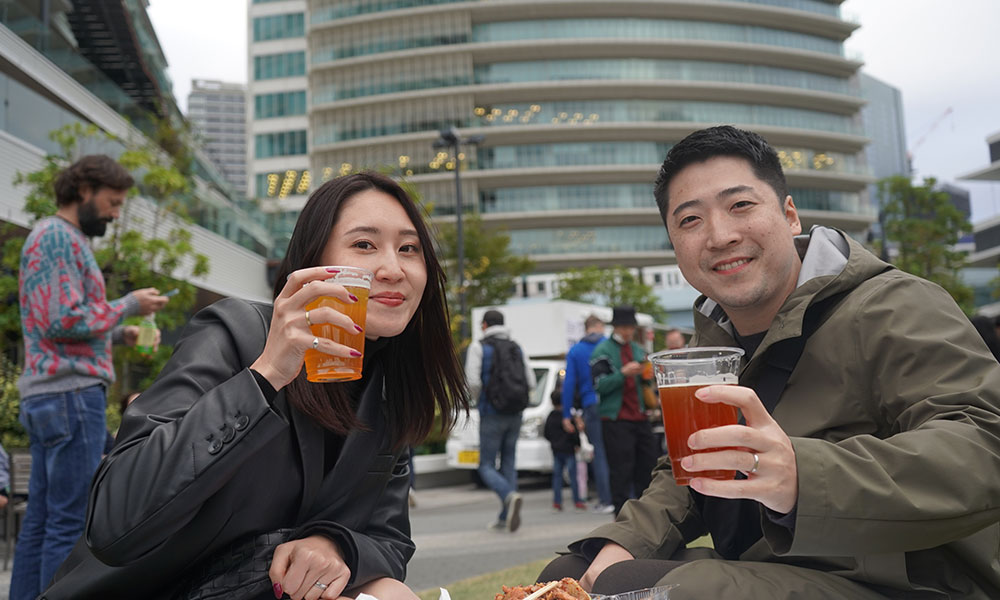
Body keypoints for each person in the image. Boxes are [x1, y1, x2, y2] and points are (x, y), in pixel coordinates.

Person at [537, 125, 1000, 599]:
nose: (719, 235)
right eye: (690, 220)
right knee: (571, 573)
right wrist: (624, 543)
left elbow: (985, 446)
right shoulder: (717, 337)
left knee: (636, 590)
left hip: (914, 583)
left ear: (790, 215)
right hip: (777, 571)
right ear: (674, 246)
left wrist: (804, 477)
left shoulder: (893, 305)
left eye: (740, 205)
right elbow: (688, 468)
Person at [40, 172, 468, 600]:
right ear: (313, 263)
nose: (393, 269)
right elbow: (114, 518)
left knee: (392, 592)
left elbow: (390, 538)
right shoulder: (237, 333)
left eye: (408, 249)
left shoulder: (390, 390)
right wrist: (265, 376)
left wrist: (334, 543)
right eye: (364, 245)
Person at [12, 155, 169, 600]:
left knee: (41, 522)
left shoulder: (52, 236)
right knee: (67, 524)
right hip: (70, 395)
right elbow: (62, 320)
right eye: (112, 202)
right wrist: (129, 305)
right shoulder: (61, 237)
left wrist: (122, 332)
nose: (116, 213)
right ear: (84, 191)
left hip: (50, 394)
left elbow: (60, 325)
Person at [465, 309, 535, 533]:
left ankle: (508, 495)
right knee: (508, 462)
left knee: (485, 465)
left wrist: (479, 401)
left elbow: (473, 381)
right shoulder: (516, 346)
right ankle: (506, 517)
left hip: (491, 412)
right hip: (515, 412)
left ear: (484, 325)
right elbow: (531, 381)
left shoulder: (479, 347)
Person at [589, 306, 659, 516]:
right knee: (620, 470)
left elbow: (646, 384)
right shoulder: (602, 351)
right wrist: (622, 373)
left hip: (640, 417)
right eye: (623, 327)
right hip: (615, 418)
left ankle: (646, 515)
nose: (627, 331)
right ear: (616, 327)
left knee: (647, 467)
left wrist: (647, 375)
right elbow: (598, 385)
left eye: (630, 327)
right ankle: (620, 517)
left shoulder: (638, 350)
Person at [562, 315, 614, 514]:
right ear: (600, 326)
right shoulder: (609, 345)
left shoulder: (576, 351)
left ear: (586, 328)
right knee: (616, 450)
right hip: (613, 404)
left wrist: (567, 413)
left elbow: (569, 384)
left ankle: (606, 499)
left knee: (599, 453)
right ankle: (625, 497)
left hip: (591, 404)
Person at [544, 391, 585, 512]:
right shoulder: (567, 416)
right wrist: (577, 444)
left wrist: (553, 442)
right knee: (573, 477)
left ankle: (557, 502)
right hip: (569, 450)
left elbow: (546, 433)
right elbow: (574, 432)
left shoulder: (551, 416)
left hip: (556, 450)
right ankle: (577, 500)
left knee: (557, 477)